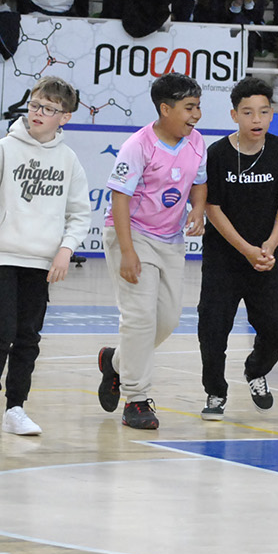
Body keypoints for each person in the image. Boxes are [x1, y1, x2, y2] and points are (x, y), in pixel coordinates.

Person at [0, 77, 90, 436]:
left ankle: (16, 407)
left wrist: (66, 249)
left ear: (65, 117)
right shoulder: (5, 148)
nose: (38, 114)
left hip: (42, 263)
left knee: (28, 336)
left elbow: (80, 212)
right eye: (34, 105)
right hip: (1, 257)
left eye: (48, 109)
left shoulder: (68, 159)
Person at [96, 73, 208, 431]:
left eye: (198, 107)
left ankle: (115, 363)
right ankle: (137, 398)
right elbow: (120, 198)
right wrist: (127, 252)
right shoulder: (138, 145)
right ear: (165, 109)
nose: (196, 115)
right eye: (189, 108)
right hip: (132, 234)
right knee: (140, 317)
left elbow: (200, 182)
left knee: (167, 319)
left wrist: (198, 209)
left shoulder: (196, 143)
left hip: (170, 240)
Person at [197, 76, 278, 419]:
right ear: (234, 115)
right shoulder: (218, 154)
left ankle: (256, 370)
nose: (257, 120)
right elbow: (212, 208)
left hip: (266, 258)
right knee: (212, 328)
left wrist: (268, 245)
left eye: (263, 112)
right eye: (248, 112)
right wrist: (245, 250)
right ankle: (215, 392)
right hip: (225, 258)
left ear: (271, 115)